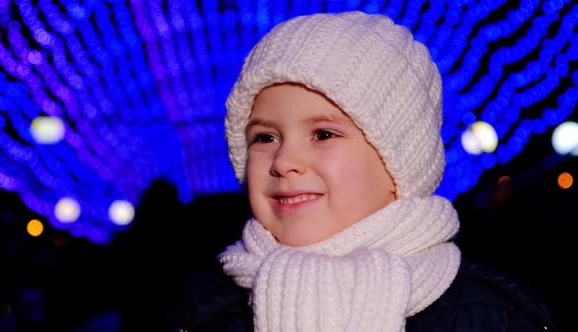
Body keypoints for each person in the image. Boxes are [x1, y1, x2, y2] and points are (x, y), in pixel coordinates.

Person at [167, 11, 560, 332]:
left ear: (399, 163)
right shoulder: (203, 313)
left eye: (322, 133)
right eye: (265, 137)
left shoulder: (492, 316)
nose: (284, 160)